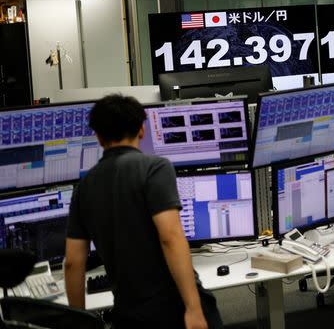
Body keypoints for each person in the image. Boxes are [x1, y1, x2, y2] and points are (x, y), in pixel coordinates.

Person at [64, 95, 221, 329]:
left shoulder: (83, 189)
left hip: (128, 315)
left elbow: (73, 263)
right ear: (141, 130)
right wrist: (194, 308)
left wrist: (77, 323)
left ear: (98, 137)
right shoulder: (155, 168)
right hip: (173, 308)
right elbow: (170, 237)